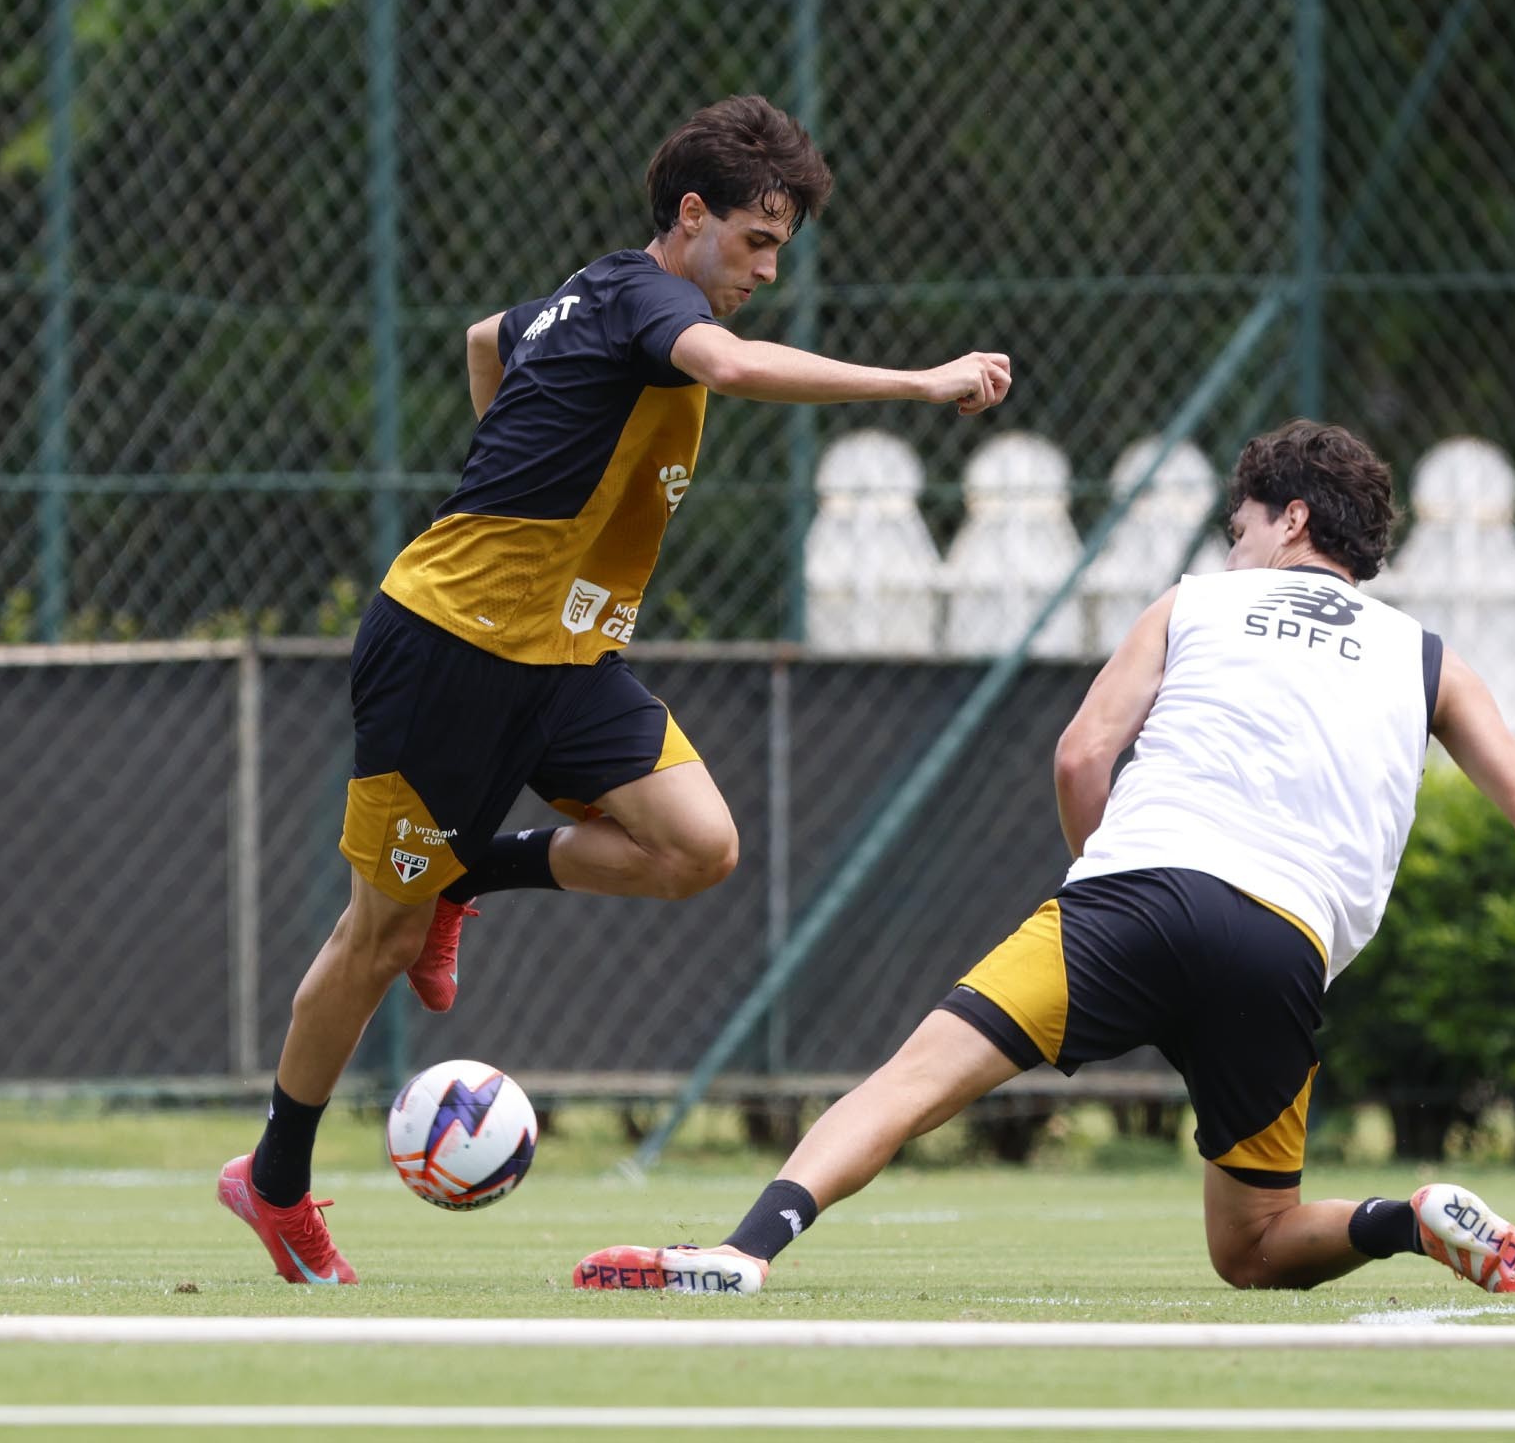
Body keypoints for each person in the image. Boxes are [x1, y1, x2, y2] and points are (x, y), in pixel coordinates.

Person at [217, 95, 1013, 1284]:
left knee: (696, 847)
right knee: (376, 936)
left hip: (563, 657)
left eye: (779, 248)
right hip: (450, 646)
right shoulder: (649, 299)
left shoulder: (595, 296)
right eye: (753, 240)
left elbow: (486, 338)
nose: (765, 269)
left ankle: (466, 874)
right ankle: (274, 1181)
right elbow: (728, 367)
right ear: (689, 216)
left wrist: (522, 449)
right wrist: (918, 382)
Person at [573, 420, 1515, 1297]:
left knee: (908, 1084)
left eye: (1239, 528)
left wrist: (1112, 879)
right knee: (1254, 1248)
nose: (1232, 549)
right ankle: (1410, 1221)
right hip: (1281, 949)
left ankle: (744, 1250)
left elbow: (1081, 754)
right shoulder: (1426, 656)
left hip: (1125, 904)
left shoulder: (1195, 601)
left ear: (1292, 520)